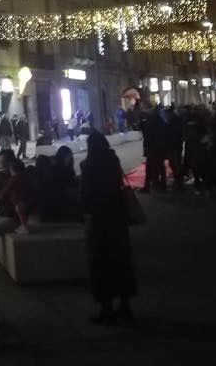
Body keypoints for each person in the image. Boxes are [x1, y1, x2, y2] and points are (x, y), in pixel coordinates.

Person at [81, 131, 137, 324]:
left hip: (99, 219)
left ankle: (106, 307)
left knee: (101, 263)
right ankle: (125, 304)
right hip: (118, 217)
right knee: (121, 260)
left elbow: (85, 195)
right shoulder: (113, 161)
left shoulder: (89, 166)